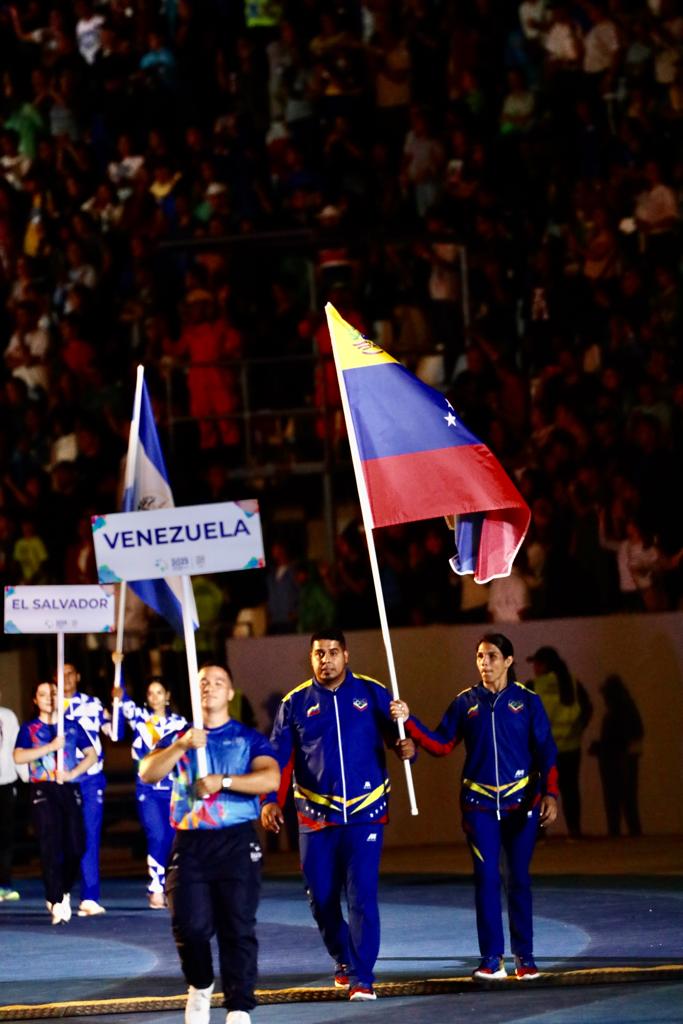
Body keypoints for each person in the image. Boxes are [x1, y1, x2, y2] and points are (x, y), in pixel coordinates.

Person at [261, 628, 415, 1001]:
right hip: (315, 818)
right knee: (322, 899)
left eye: (333, 652)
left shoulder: (371, 691)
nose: (326, 659)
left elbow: (402, 737)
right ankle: (343, 956)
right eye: (319, 654)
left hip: (366, 814)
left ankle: (363, 977)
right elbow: (279, 759)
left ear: (346, 655)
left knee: (362, 895)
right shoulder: (294, 703)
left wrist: (407, 741)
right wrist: (269, 800)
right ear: (311, 658)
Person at [396, 633, 558, 980]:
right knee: (486, 878)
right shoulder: (465, 703)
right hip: (478, 806)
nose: (485, 663)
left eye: (493, 657)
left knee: (518, 879)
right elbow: (441, 744)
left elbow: (547, 752)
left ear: (509, 661)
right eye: (480, 657)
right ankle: (491, 959)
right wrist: (409, 721)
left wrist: (551, 795)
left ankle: (524, 958)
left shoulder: (528, 702)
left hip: (522, 805)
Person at [139, 664, 279, 1024]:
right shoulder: (179, 736)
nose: (211, 687)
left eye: (219, 682)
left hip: (235, 841)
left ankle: (238, 1006)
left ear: (230, 693)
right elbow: (147, 771)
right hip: (190, 844)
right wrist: (183, 744)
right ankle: (200, 985)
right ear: (194, 690)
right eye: (203, 682)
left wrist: (224, 781)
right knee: (190, 926)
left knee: (237, 926)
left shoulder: (248, 738)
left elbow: (269, 778)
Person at [13, 681, 97, 924]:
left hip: (67, 786)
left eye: (52, 693)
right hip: (42, 787)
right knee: (50, 844)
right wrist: (50, 747)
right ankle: (56, 899)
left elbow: (91, 754)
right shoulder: (30, 728)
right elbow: (18, 756)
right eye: (43, 694)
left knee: (77, 844)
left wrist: (72, 774)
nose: (49, 698)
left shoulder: (71, 726)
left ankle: (63, 888)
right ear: (35, 700)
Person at [112, 674, 187, 907]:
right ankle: (155, 887)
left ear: (168, 696)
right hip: (148, 789)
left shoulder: (180, 724)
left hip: (174, 789)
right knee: (157, 835)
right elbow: (121, 699)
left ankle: (173, 884)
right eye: (151, 693)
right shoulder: (140, 719)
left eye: (159, 692)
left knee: (174, 838)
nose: (155, 697)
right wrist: (119, 667)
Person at [60, 662, 110, 916]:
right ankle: (61, 893)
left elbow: (114, 731)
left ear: (78, 676)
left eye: (70, 673)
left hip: (91, 777)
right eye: (61, 674)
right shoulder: (52, 706)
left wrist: (119, 704)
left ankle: (90, 896)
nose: (66, 678)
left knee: (90, 835)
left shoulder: (93, 704)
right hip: (62, 779)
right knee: (64, 837)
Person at [527, 646, 592, 837]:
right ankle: (575, 831)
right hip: (570, 747)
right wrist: (577, 730)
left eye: (537, 664)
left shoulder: (533, 686)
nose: (535, 668)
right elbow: (587, 709)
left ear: (544, 665)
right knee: (571, 790)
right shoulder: (572, 683)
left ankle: (540, 835)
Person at [589, 674, 644, 837]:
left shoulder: (616, 712)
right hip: (624, 759)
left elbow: (613, 739)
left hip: (614, 760)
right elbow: (635, 733)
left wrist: (601, 747)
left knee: (614, 798)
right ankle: (632, 832)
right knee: (628, 799)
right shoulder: (629, 709)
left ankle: (615, 831)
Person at [0, 687, 27, 901]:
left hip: (6, 782)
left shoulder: (7, 717)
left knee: (6, 835)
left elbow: (16, 748)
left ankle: (4, 884)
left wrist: (26, 777)